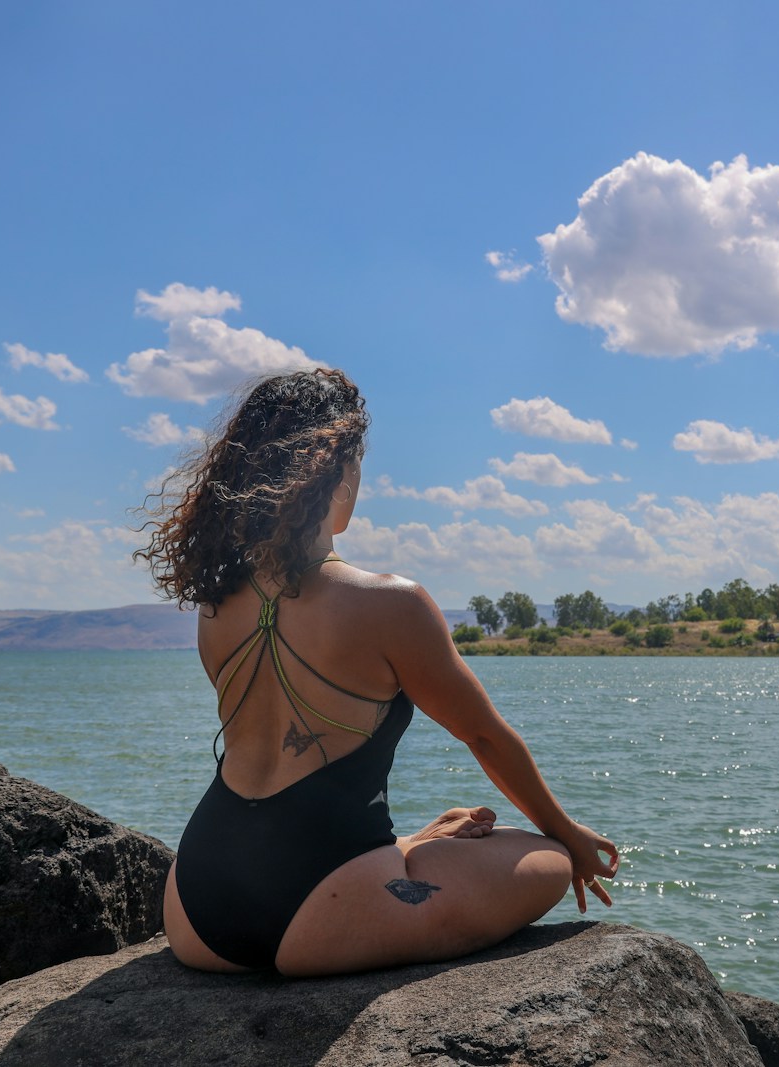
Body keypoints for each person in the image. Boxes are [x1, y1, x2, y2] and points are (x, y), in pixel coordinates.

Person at [136, 367, 618, 976]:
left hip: (195, 907)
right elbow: (485, 736)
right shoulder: (389, 603)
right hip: (314, 913)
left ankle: (406, 846)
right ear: (337, 474)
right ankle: (399, 854)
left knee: (392, 844)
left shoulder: (215, 607)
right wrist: (569, 835)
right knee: (544, 859)